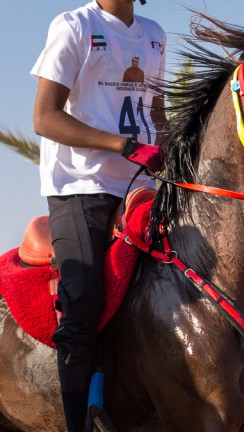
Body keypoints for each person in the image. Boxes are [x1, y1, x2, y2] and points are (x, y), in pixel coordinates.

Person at [31, 0, 166, 430]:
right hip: (79, 185)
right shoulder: (74, 25)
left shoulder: (155, 34)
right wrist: (122, 145)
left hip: (141, 185)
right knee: (84, 297)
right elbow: (44, 117)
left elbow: (157, 115)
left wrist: (172, 155)